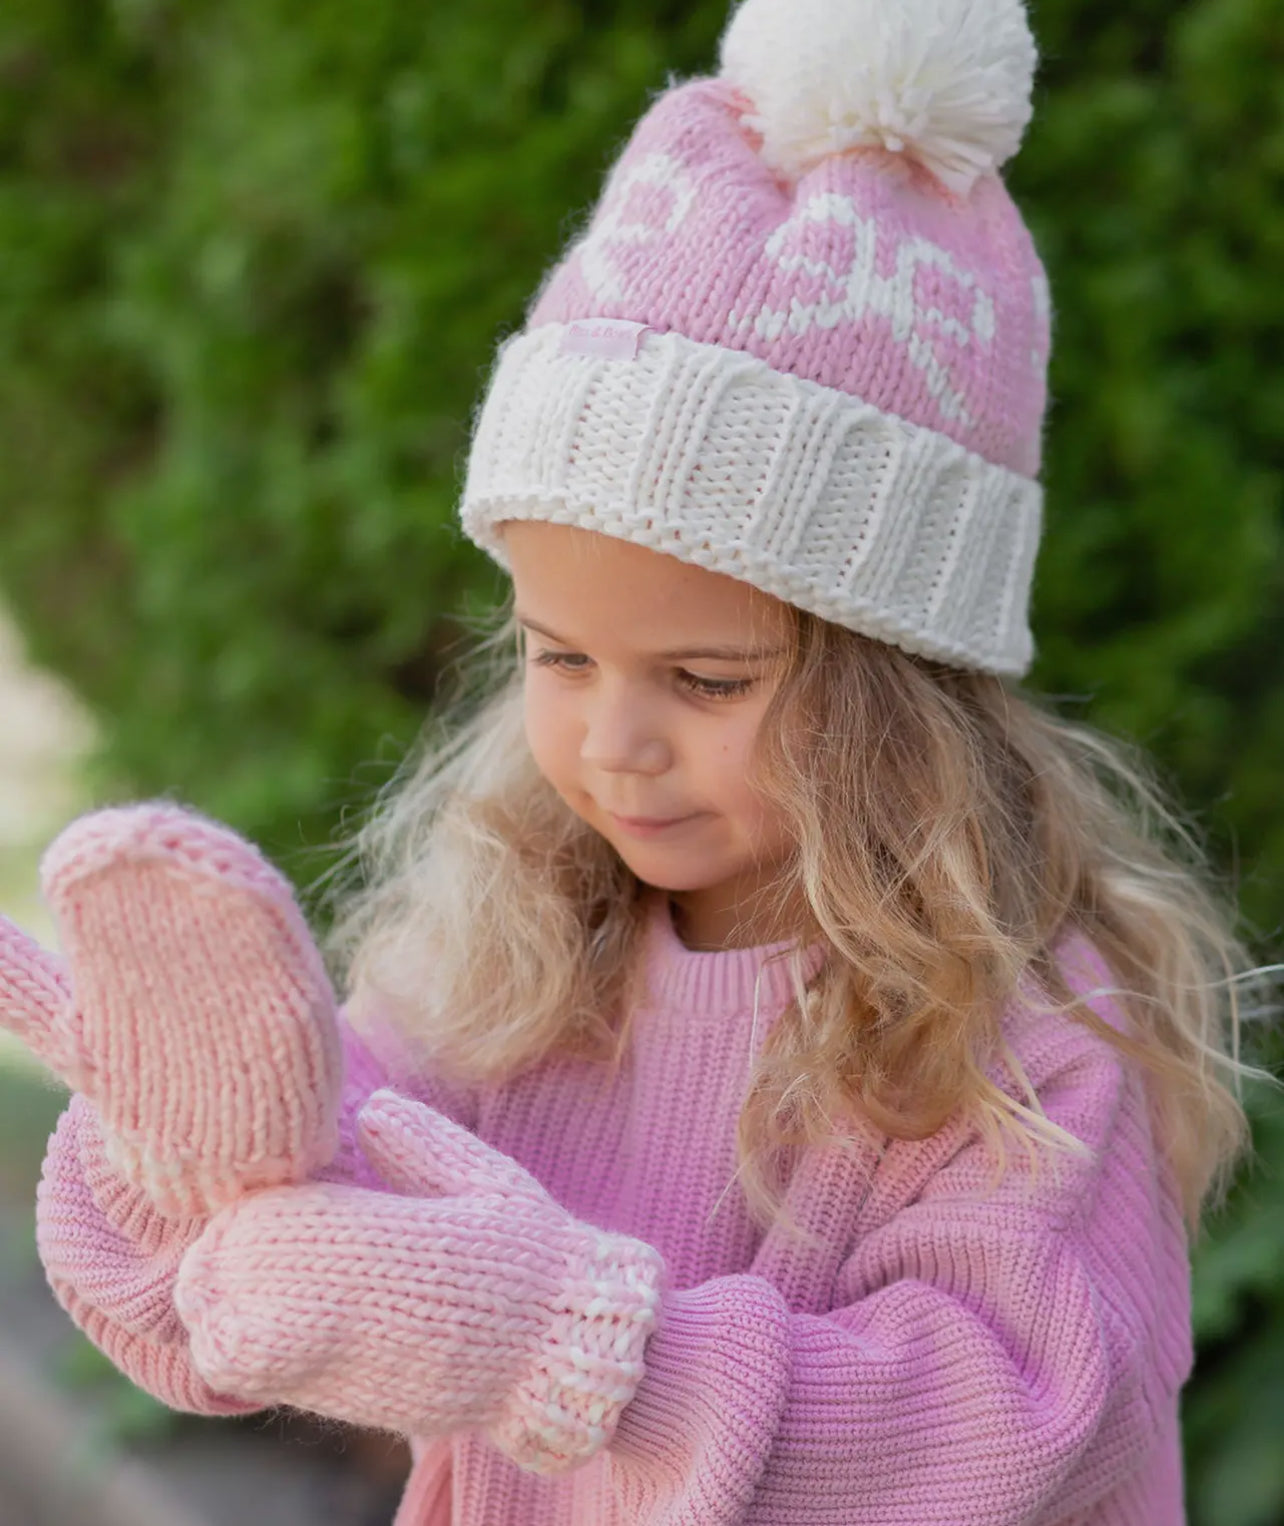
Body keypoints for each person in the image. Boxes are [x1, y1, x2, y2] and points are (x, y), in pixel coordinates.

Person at [0, 0, 1272, 1520]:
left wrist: (578, 1346)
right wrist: (197, 1164)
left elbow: (1014, 1424)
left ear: (906, 691)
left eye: (707, 676)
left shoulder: (1029, 1039)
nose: (612, 740)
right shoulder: (516, 955)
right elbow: (218, 1311)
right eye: (557, 653)